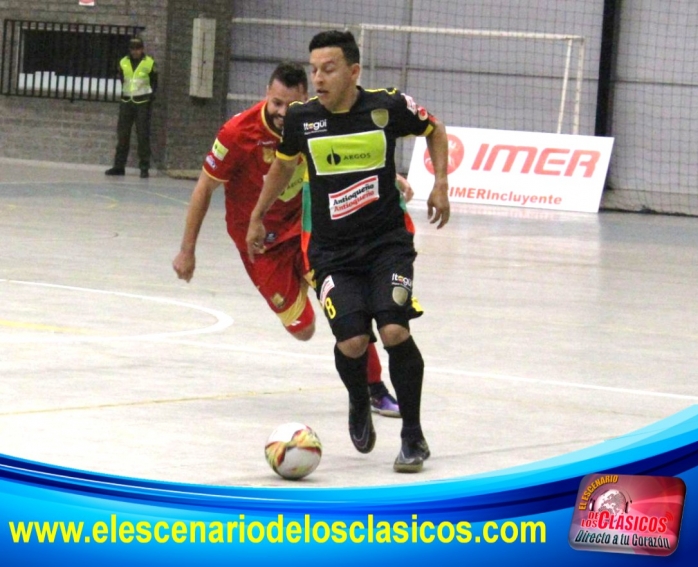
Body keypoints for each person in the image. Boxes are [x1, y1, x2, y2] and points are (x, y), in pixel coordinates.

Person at [246, 31, 450, 473]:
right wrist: (258, 215)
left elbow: (435, 129)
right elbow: (282, 166)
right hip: (332, 253)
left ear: (354, 71)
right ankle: (360, 398)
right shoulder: (302, 119)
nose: (318, 78)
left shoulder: (387, 107)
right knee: (353, 341)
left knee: (393, 331)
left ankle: (413, 435)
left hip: (387, 245)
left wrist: (441, 184)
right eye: (314, 69)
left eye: (329, 69)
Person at [172, 62, 404, 418]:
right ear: (267, 94)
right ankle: (300, 287)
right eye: (276, 103)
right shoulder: (238, 133)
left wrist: (392, 178)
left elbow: (353, 152)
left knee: (348, 308)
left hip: (310, 231)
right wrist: (187, 251)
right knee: (304, 329)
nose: (282, 112)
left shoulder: (314, 121)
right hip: (261, 245)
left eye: (290, 104)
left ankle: (373, 388)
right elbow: (204, 189)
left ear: (305, 98)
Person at [105, 37, 157, 179]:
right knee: (122, 135)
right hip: (127, 102)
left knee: (142, 136)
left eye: (138, 48)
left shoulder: (149, 63)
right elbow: (122, 79)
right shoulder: (123, 62)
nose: (135, 51)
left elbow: (154, 82)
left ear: (142, 49)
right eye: (133, 49)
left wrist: (150, 98)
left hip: (143, 103)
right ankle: (119, 166)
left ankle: (144, 168)